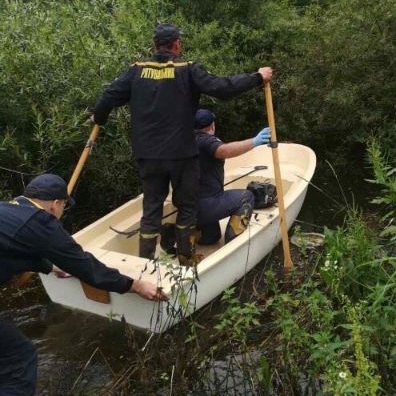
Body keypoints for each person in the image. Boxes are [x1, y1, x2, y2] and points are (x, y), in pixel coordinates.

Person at [92, 22, 273, 266]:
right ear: (177, 44)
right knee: (187, 206)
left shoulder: (136, 71)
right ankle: (186, 258)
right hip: (181, 155)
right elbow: (222, 88)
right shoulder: (188, 69)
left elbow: (107, 98)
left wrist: (98, 118)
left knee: (152, 208)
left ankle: (144, 263)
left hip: (148, 156)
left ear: (154, 46)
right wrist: (257, 78)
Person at [0, 173, 166, 395]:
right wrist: (134, 285)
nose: (60, 214)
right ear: (56, 204)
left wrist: (50, 267)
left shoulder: (8, 211)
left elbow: (12, 251)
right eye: (63, 208)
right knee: (19, 357)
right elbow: (86, 267)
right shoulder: (40, 222)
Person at [194, 109, 271, 245]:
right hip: (206, 205)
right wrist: (255, 141)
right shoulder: (206, 141)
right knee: (246, 196)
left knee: (213, 237)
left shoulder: (183, 141)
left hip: (188, 207)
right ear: (212, 126)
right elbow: (224, 150)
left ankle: (187, 234)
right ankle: (233, 240)